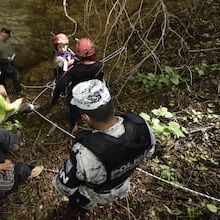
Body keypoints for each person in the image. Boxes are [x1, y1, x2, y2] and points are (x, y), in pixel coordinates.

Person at [52, 79, 156, 211]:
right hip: (123, 183)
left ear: (86, 118)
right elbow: (150, 152)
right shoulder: (140, 124)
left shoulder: (84, 153)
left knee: (79, 204)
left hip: (94, 194)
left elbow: (65, 188)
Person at [51, 38, 104, 131]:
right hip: (92, 94)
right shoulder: (99, 65)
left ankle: (74, 124)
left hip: (76, 96)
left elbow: (60, 85)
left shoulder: (74, 70)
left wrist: (54, 100)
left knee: (73, 109)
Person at [0, 28, 22, 93]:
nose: (8, 39)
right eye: (8, 37)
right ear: (6, 36)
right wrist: (10, 59)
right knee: (15, 73)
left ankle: (2, 89)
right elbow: (4, 61)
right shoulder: (2, 46)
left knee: (1, 78)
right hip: (0, 66)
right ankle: (19, 91)